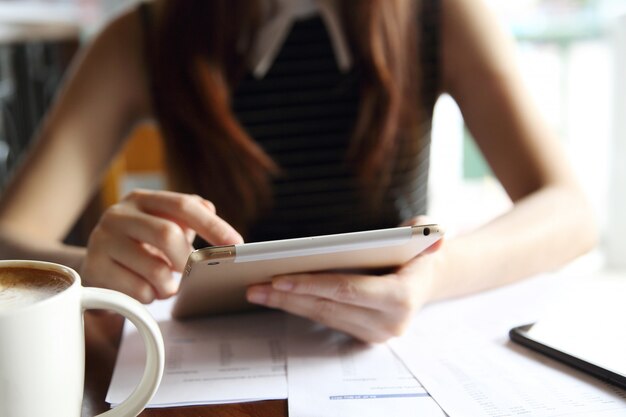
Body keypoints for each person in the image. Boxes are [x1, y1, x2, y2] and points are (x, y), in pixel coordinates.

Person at [0, 0, 596, 343]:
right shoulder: (144, 36)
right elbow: (10, 236)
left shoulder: (437, 15)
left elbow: (570, 211)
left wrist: (433, 277)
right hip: (208, 368)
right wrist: (92, 267)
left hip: (384, 361)